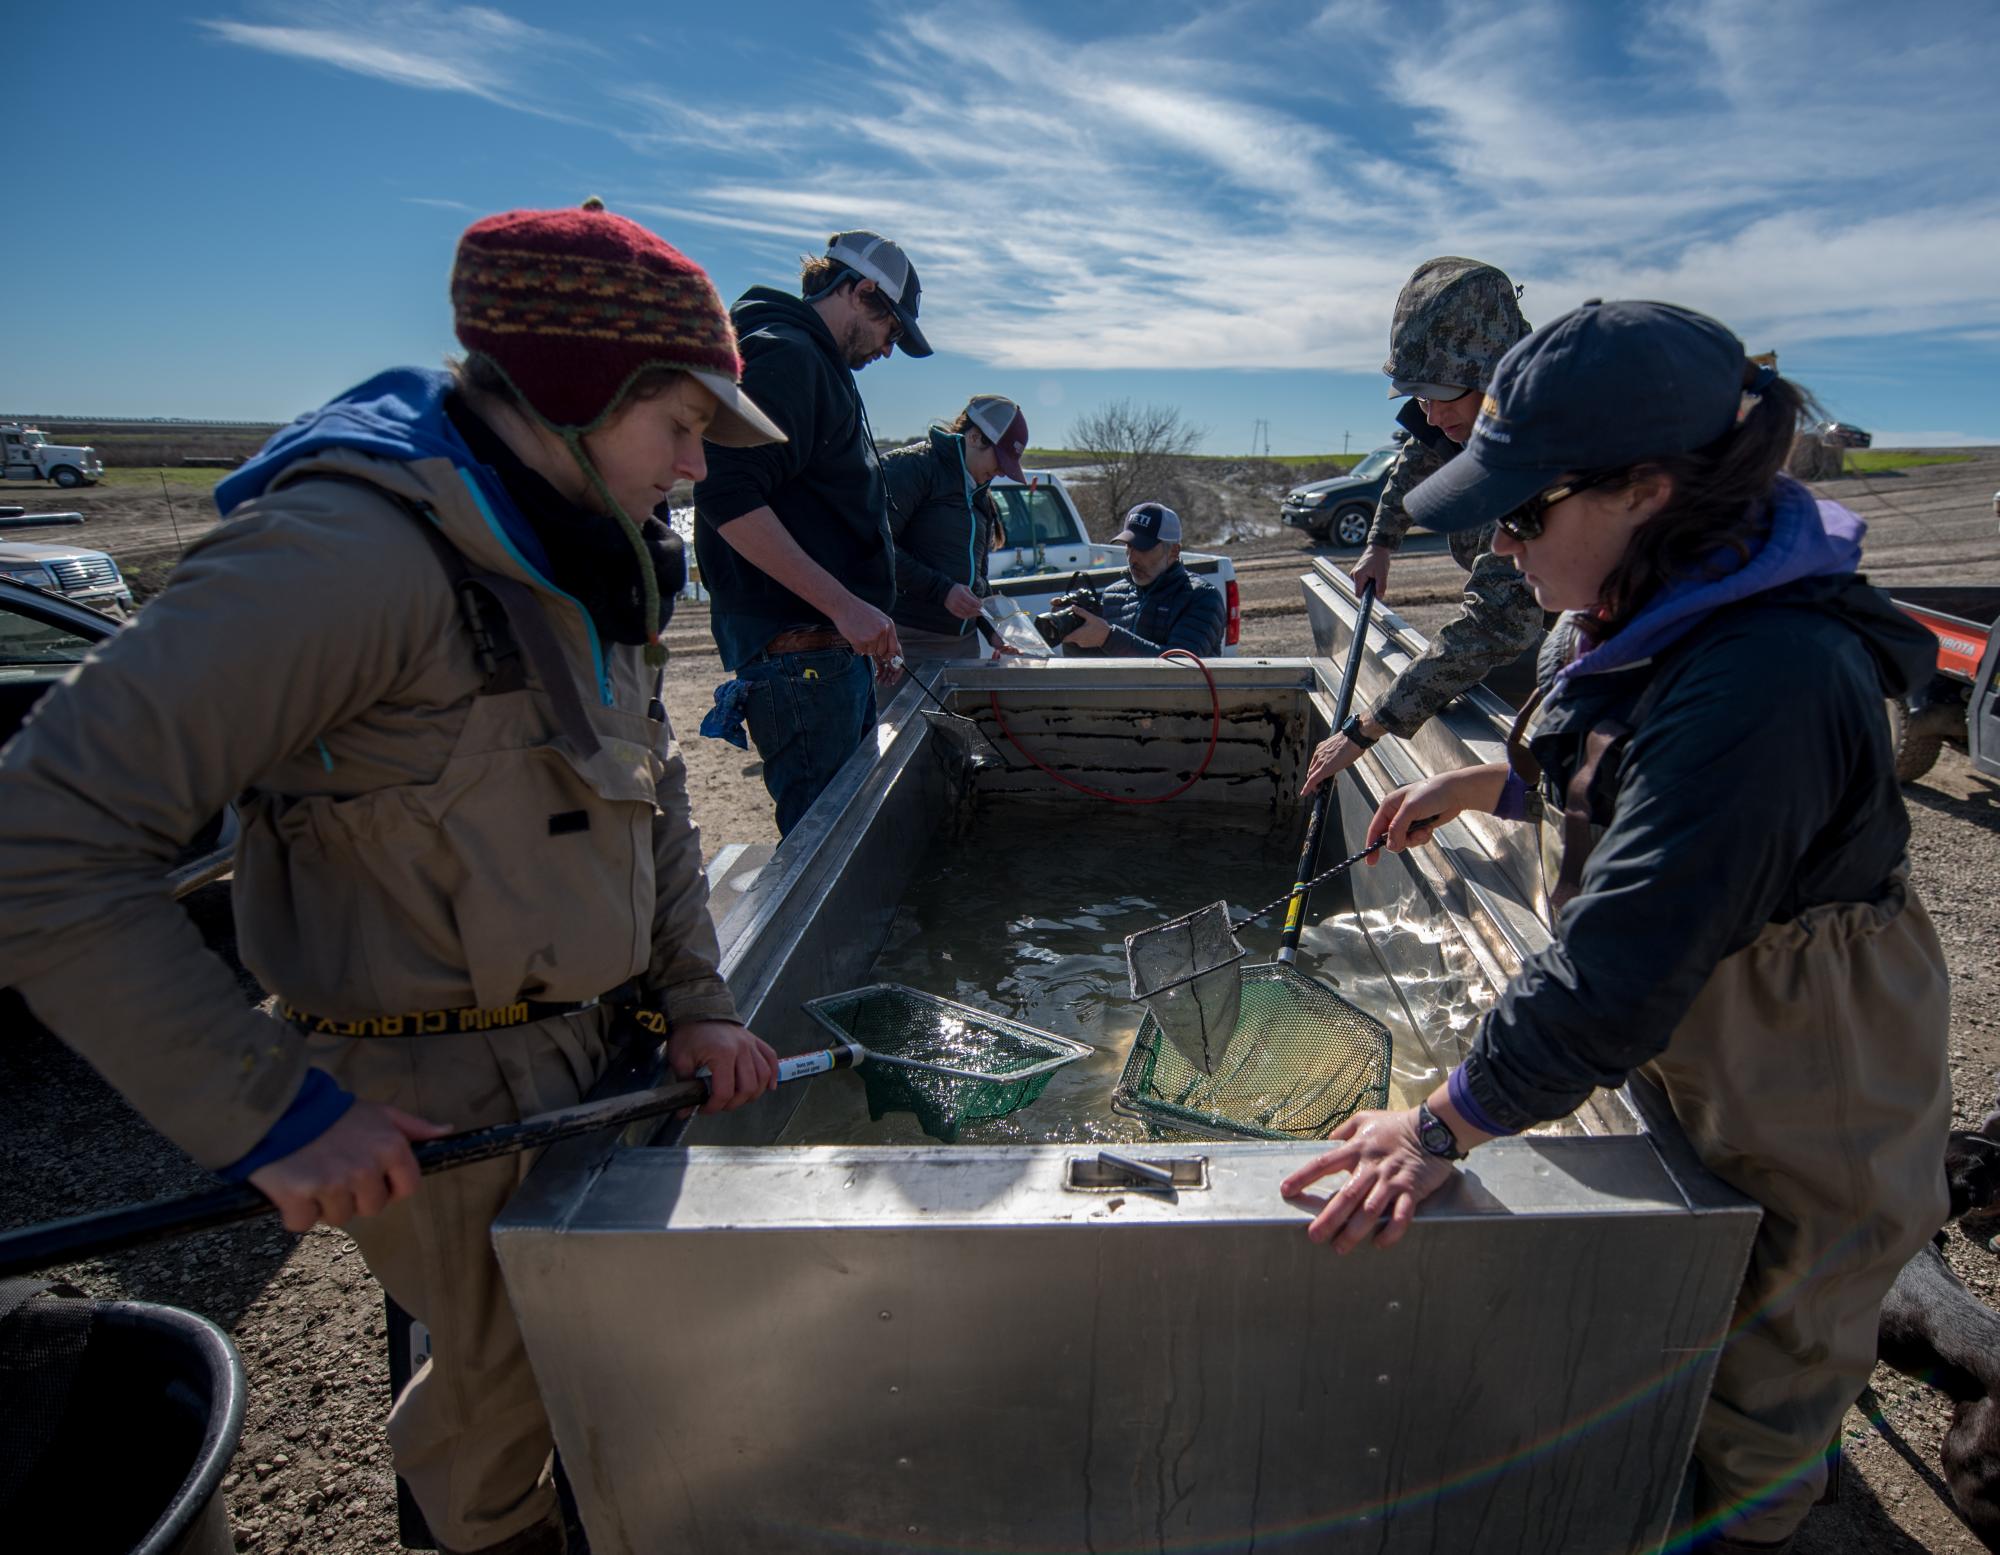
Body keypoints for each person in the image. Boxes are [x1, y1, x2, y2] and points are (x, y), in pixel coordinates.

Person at [0, 200, 784, 1555]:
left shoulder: (587, 557)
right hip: (437, 1093)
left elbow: (646, 795)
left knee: (559, 1372)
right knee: (491, 1407)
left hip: (591, 1058)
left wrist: (698, 998)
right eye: (682, 428)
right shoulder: (351, 557)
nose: (694, 469)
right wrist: (266, 1109)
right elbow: (39, 839)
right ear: (574, 391)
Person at [1281, 300, 1951, 1553]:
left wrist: (1439, 1127)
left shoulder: (1768, 673)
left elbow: (1631, 948)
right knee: (1696, 1325)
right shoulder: (1658, 597)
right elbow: (1634, 771)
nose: (1502, 540)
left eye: (1524, 513)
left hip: (1812, 1094)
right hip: (1709, 1054)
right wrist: (1492, 781)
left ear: (1645, 489)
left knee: (1770, 1374)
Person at [694, 229, 933, 834]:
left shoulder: (813, 363)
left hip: (826, 654)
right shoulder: (787, 357)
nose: (888, 348)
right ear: (860, 292)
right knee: (822, 853)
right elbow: (725, 495)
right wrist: (845, 609)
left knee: (845, 841)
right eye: (892, 330)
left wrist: (860, 622)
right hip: (802, 659)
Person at [1300, 257, 1545, 795]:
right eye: (1418, 397)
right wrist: (1381, 543)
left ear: (1495, 375)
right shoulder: (1465, 411)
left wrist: (1369, 728)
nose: (1430, 416)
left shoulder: (1539, 452)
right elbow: (1419, 455)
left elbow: (1496, 625)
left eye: (1441, 395)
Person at [882, 394, 1030, 660]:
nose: (1001, 473)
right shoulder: (913, 467)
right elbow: (874, 547)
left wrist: (993, 629)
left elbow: (978, 581)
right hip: (907, 640)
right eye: (1000, 461)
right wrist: (942, 591)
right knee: (914, 705)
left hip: (962, 643)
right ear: (974, 437)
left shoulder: (981, 496)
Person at [1060, 502, 1227, 658]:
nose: (1132, 557)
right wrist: (1072, 632)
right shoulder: (1113, 595)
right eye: (1129, 546)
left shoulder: (1201, 597)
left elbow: (1182, 667)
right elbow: (1098, 669)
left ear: (1174, 551)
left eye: (1143, 548)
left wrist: (1108, 637)